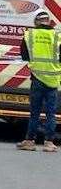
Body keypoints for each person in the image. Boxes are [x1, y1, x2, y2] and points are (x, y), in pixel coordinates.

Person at [17, 9, 61, 152]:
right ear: (48, 21)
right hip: (53, 79)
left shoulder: (29, 35)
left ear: (36, 22)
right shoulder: (57, 36)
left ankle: (29, 141)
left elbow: (24, 56)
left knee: (35, 112)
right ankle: (49, 143)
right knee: (51, 112)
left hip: (37, 78)